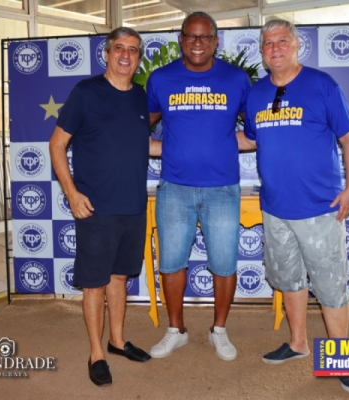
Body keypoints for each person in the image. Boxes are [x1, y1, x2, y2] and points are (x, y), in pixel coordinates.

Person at [238, 19, 349, 393]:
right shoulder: (256, 94)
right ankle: (297, 344)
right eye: (267, 43)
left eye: (281, 40)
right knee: (289, 280)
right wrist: (202, 141)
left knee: (330, 285)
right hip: (275, 209)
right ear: (262, 52)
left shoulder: (322, 85)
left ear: (295, 45)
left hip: (320, 208)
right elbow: (250, 140)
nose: (274, 47)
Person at [49, 27, 160, 387]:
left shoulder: (140, 97)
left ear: (138, 57)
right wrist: (72, 194)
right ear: (107, 54)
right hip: (96, 208)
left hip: (133, 206)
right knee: (95, 284)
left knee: (119, 277)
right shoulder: (86, 93)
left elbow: (142, 144)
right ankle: (96, 353)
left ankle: (117, 341)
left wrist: (191, 149)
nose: (126, 55)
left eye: (133, 50)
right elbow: (56, 144)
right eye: (119, 48)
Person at [146, 11, 251, 361]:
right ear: (180, 40)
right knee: (171, 263)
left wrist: (223, 145)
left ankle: (218, 330)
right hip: (174, 187)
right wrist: (161, 148)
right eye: (191, 35)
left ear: (216, 42)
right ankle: (176, 330)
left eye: (205, 36)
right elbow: (140, 125)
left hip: (222, 188)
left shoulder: (236, 79)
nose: (197, 42)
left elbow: (255, 129)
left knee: (224, 263)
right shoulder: (161, 79)